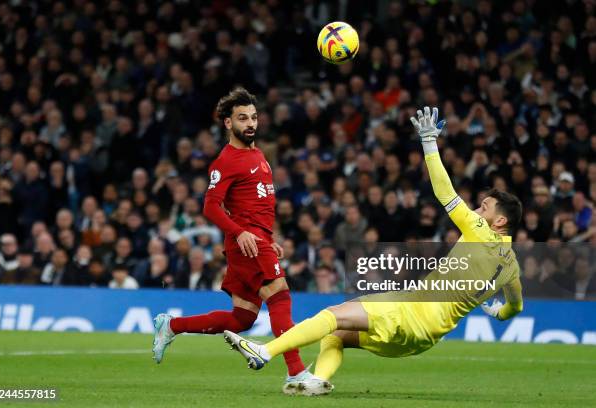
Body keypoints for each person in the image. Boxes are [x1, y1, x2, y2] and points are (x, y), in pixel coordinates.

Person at [223, 106, 524, 396]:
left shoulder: (479, 230)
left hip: (409, 312)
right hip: (424, 340)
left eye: (483, 207)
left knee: (332, 315)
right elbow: (515, 308)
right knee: (336, 335)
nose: (475, 208)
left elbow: (444, 191)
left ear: (500, 221)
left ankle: (263, 351)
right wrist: (498, 312)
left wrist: (429, 142)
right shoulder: (512, 267)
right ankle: (316, 381)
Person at [152, 88, 313, 393]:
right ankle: (296, 373)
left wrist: (269, 236)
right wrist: (241, 232)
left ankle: (171, 326)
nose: (250, 123)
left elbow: (257, 203)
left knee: (242, 319)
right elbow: (210, 206)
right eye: (242, 118)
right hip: (245, 242)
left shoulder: (257, 154)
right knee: (279, 296)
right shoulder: (225, 161)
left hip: (256, 240)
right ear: (228, 123)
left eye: (253, 117)